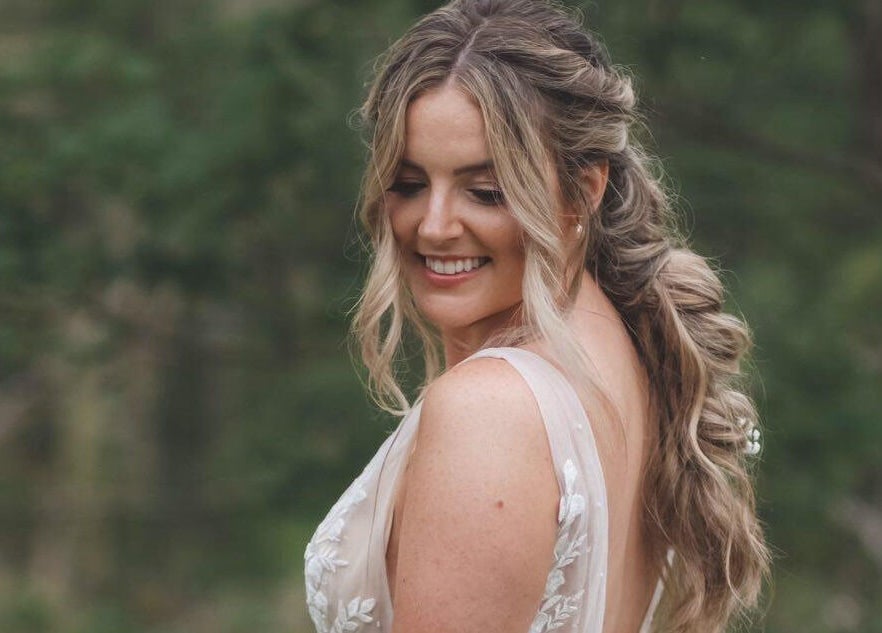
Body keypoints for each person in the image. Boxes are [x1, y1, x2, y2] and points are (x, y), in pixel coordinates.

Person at [304, 1, 769, 632]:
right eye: (410, 183)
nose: (435, 226)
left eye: (487, 191)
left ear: (584, 188)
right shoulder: (627, 353)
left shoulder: (488, 411)